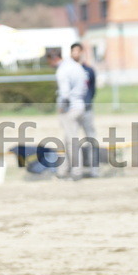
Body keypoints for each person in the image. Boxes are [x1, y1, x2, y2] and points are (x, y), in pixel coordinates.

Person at [50, 44, 90, 179]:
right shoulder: (77, 66)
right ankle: (63, 171)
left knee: (72, 142)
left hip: (70, 109)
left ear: (53, 58)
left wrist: (61, 108)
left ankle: (76, 172)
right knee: (68, 140)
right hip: (80, 106)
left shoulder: (62, 70)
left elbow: (65, 94)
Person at [76, 43, 100, 177]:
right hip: (73, 109)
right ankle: (75, 170)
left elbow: (93, 88)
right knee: (72, 140)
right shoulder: (70, 70)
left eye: (78, 51)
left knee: (91, 138)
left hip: (86, 108)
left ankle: (94, 169)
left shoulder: (89, 70)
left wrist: (87, 101)